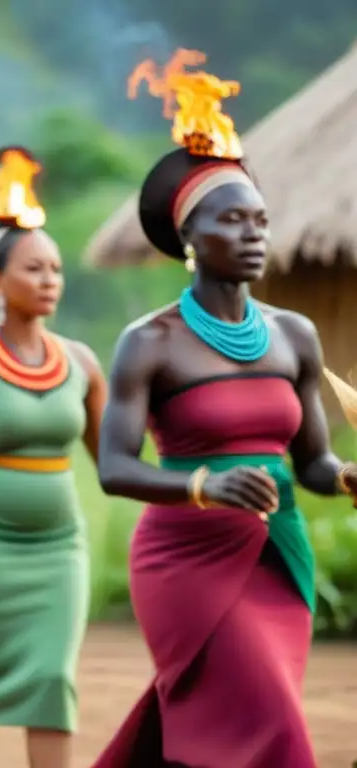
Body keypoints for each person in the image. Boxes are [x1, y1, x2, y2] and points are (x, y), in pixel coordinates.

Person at [91, 59, 357, 767]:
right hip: (186, 557)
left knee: (233, 727)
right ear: (189, 238)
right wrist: (204, 486)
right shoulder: (149, 342)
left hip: (279, 552)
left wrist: (348, 476)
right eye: (231, 218)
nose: (253, 233)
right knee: (268, 728)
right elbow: (114, 467)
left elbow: (315, 464)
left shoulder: (294, 334)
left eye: (261, 219)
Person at [0, 148, 106, 768]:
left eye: (56, 268)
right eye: (35, 268)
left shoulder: (83, 364)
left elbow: (112, 462)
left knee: (51, 679)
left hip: (58, 547)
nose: (51, 279)